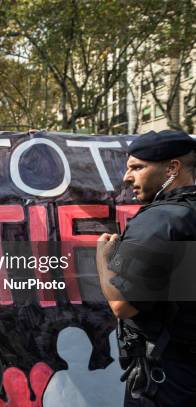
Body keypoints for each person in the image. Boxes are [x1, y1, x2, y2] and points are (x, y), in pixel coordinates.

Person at [96, 130, 196, 407]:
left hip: (168, 381)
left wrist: (103, 260)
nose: (127, 177)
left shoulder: (159, 220)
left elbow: (123, 305)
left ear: (172, 169)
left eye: (137, 167)